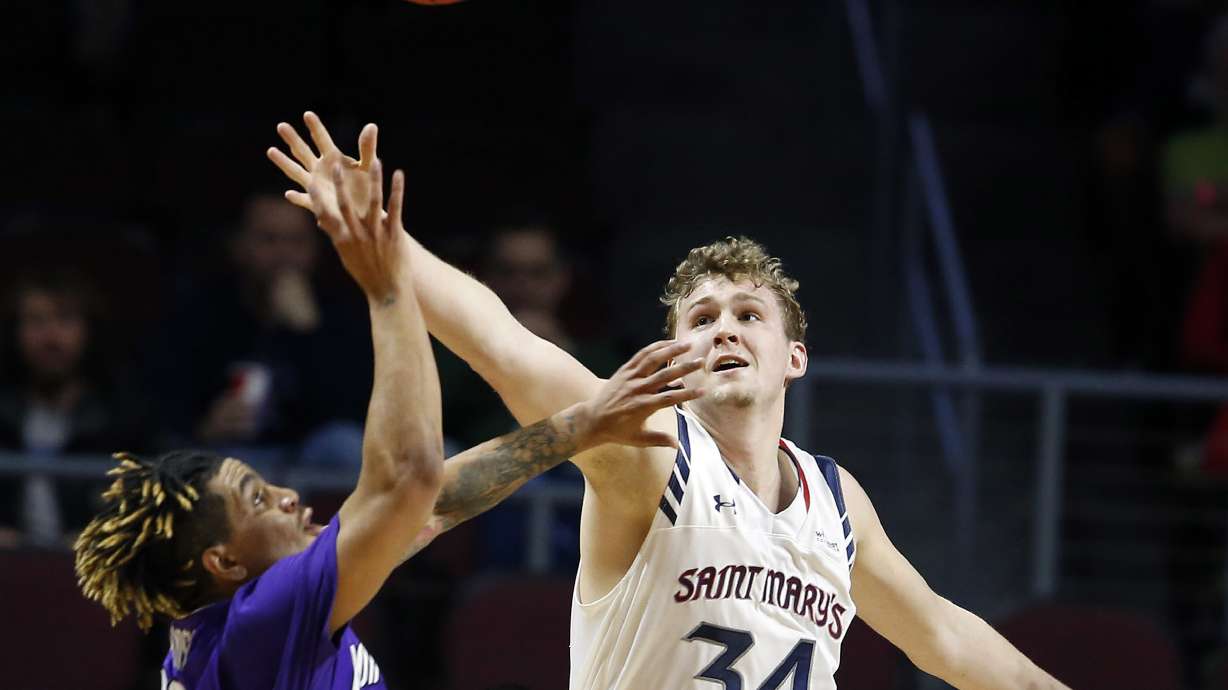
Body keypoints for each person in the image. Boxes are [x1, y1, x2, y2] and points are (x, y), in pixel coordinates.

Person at [270, 113, 1069, 689]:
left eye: (748, 315)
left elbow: (941, 635)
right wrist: (385, 244)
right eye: (703, 318)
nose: (725, 329)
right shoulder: (650, 450)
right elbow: (503, 344)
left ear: (794, 357)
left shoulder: (834, 500)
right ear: (674, 352)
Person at [75, 153, 701, 689]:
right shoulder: (263, 617)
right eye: (257, 500)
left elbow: (434, 504)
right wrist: (387, 284)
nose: (287, 496)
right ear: (224, 563)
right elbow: (410, 477)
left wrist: (581, 426)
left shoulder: (229, 618)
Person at [0, 269, 146, 546]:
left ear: (88, 330)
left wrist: (104, 536)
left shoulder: (124, 416)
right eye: (36, 321)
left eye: (65, 320)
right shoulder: (4, 412)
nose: (51, 337)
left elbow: (155, 503)